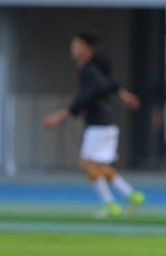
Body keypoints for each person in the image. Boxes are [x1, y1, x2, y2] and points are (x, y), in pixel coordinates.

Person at [42, 30, 145, 219]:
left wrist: (59, 115)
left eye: (77, 45)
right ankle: (132, 195)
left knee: (86, 163)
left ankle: (110, 204)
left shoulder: (89, 71)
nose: (73, 49)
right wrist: (124, 95)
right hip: (104, 124)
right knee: (98, 166)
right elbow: (110, 84)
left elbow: (87, 96)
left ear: (87, 49)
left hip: (99, 124)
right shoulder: (91, 69)